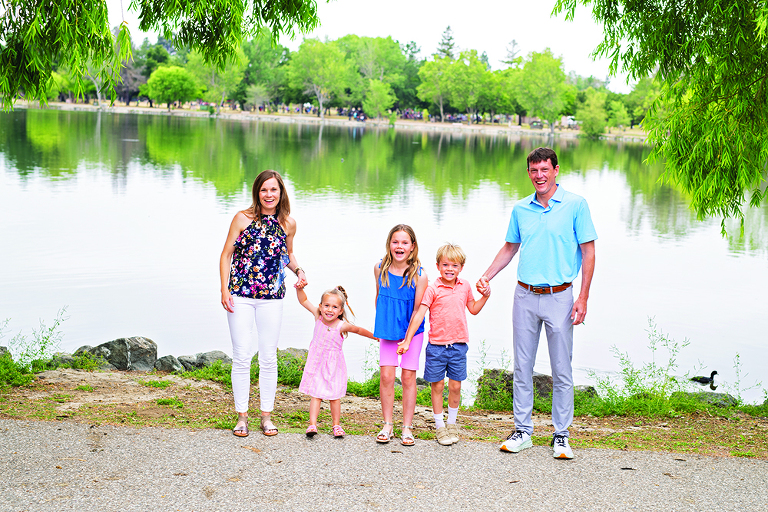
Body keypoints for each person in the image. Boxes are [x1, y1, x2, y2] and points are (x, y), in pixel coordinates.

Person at [477, 147, 596, 460]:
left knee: (562, 370)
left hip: (561, 296)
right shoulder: (521, 209)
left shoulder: (575, 205)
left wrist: (582, 296)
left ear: (556, 170)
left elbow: (589, 252)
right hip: (525, 296)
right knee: (522, 367)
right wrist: (486, 275)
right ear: (528, 172)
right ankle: (523, 431)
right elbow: (510, 247)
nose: (539, 176)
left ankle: (560, 435)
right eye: (534, 171)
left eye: (545, 169)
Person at [219, 170, 307, 438]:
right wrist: (224, 289)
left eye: (274, 190)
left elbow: (287, 255)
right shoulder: (242, 219)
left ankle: (266, 417)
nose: (269, 195)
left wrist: (299, 271)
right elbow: (225, 256)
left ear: (281, 193)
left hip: (271, 298)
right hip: (241, 296)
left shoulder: (288, 224)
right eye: (264, 190)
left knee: (268, 357)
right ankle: (242, 417)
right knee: (242, 355)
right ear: (257, 192)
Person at [397, 243, 490, 446]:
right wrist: (407, 340)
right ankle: (439, 426)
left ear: (461, 267)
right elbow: (420, 314)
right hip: (437, 347)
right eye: (445, 264)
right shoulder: (432, 289)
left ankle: (452, 424)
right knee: (437, 386)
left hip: (458, 346)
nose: (450, 269)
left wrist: (485, 296)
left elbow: (473, 309)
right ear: (438, 266)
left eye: (454, 265)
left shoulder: (464, 286)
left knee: (455, 386)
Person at [296, 285, 376, 438]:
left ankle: (336, 425)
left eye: (334, 307)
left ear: (340, 311)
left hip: (334, 366)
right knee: (316, 394)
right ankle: (312, 424)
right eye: (326, 305)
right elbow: (304, 300)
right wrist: (299, 288)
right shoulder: (317, 316)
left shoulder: (341, 325)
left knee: (334, 396)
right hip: (317, 363)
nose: (329, 310)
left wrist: (375, 337)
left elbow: (358, 330)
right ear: (320, 306)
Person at [373, 224, 428, 446]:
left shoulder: (420, 276)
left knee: (407, 377)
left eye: (405, 242)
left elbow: (417, 311)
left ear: (412, 247)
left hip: (411, 331)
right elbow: (378, 298)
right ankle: (387, 424)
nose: (399, 246)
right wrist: (380, 326)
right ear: (389, 245)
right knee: (386, 376)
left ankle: (407, 426)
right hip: (388, 330)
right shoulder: (379, 268)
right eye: (395, 242)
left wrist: (407, 338)